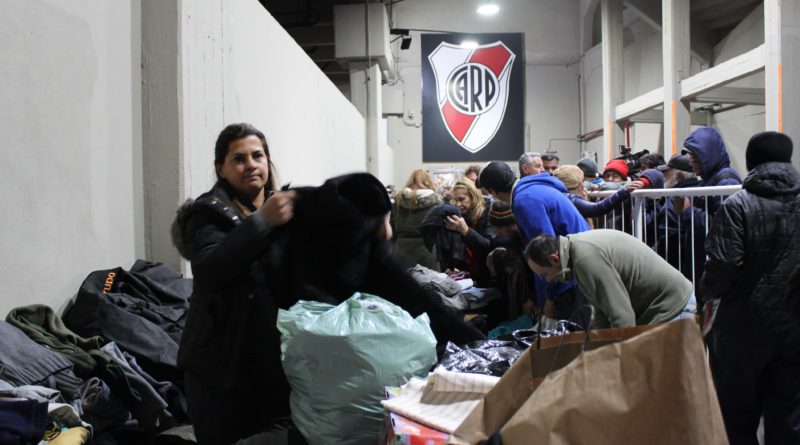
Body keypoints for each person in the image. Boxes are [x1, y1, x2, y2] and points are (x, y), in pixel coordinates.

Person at [170, 123, 298, 444]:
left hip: (271, 365)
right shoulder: (205, 215)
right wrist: (262, 222)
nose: (251, 164)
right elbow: (211, 268)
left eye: (258, 155)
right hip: (220, 368)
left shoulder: (282, 209)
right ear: (221, 169)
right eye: (238, 159)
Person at [699, 132, 800, 444]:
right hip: (794, 325)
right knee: (789, 415)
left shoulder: (737, 205)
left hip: (740, 329)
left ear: (752, 162)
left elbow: (721, 268)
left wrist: (706, 301)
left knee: (737, 415)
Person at [478, 161, 589, 321]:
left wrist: (546, 300)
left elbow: (545, 255)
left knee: (574, 337)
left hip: (573, 275)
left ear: (492, 191)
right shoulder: (533, 189)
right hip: (578, 265)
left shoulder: (525, 201)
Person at [526, 230, 695, 329]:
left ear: (555, 259)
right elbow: (601, 310)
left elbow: (621, 317)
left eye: (545, 274)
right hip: (668, 306)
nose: (549, 281)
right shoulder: (576, 251)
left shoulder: (584, 259)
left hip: (672, 307)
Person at [443, 179, 496, 285]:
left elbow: (488, 247)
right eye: (455, 200)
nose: (458, 204)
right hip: (464, 278)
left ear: (473, 197)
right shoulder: (456, 216)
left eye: (462, 199)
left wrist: (465, 231)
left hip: (487, 275)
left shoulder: (489, 212)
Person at [391, 169, 441, 270]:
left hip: (401, 251)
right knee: (430, 283)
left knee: (403, 283)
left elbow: (391, 229)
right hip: (428, 251)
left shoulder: (398, 201)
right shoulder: (436, 203)